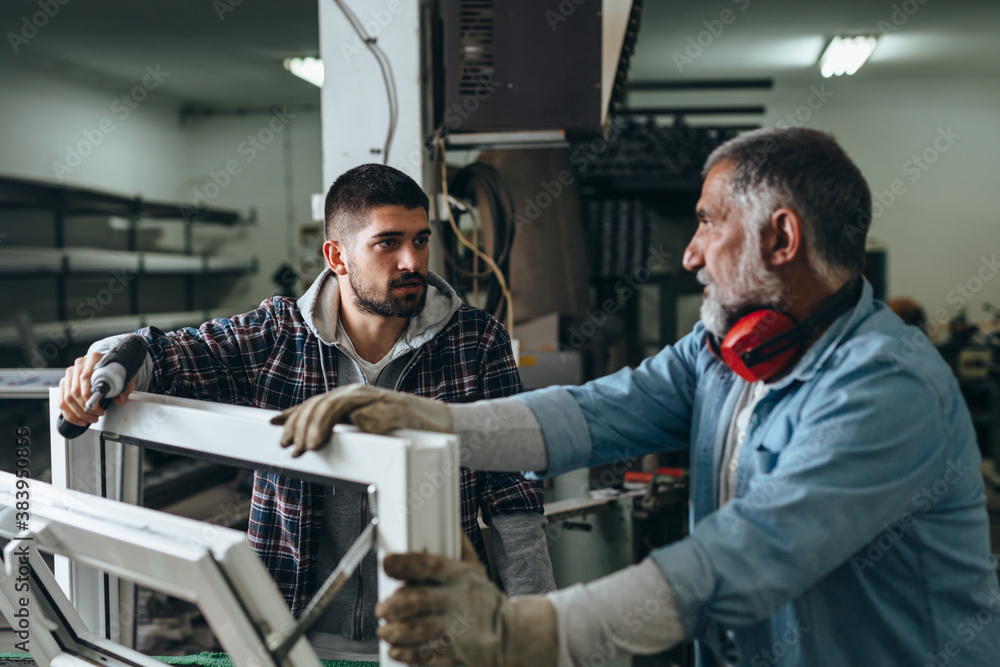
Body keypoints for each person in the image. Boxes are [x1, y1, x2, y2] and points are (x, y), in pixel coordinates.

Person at [273, 129, 1000, 666]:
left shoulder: (882, 387)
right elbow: (593, 412)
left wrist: (522, 631)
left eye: (710, 221)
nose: (689, 252)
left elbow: (749, 553)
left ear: (782, 237)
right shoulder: (725, 351)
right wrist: (439, 422)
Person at [59, 163, 555, 662]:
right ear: (337, 256)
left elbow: (512, 498)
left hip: (433, 641)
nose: (413, 261)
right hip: (294, 637)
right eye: (388, 243)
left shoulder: (476, 341)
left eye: (421, 240)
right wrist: (102, 368)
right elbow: (165, 354)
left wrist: (530, 634)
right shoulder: (280, 335)